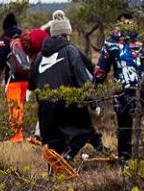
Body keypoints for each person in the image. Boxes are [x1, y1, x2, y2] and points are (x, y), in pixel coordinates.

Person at [94, 10, 144, 162]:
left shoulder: (143, 40)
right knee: (125, 128)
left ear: (134, 22)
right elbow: (101, 71)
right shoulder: (110, 43)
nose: (127, 24)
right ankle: (125, 161)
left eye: (129, 21)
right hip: (122, 93)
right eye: (123, 21)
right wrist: (95, 93)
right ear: (117, 23)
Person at [34, 10, 98, 166]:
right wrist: (93, 102)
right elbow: (82, 79)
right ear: (66, 34)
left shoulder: (40, 55)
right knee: (86, 131)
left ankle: (53, 173)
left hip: (45, 106)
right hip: (66, 102)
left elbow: (34, 80)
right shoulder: (70, 50)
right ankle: (68, 156)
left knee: (53, 144)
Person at [0, 12, 30, 142]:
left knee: (14, 107)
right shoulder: (24, 37)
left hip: (13, 79)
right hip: (26, 78)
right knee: (20, 106)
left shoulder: (5, 39)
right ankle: (20, 133)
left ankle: (16, 137)